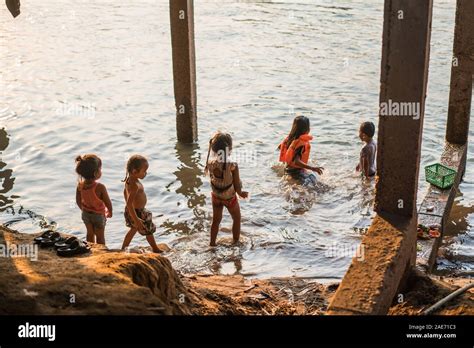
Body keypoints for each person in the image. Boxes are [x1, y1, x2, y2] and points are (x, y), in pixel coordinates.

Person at [205, 132, 248, 246]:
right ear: (229, 149)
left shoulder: (209, 163)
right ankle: (236, 242)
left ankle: (212, 243)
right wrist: (241, 193)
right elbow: (237, 185)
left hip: (216, 197)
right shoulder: (232, 165)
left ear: (214, 150)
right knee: (237, 219)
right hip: (229, 198)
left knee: (216, 221)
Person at [121, 155, 160, 253]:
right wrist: (136, 219)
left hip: (135, 211)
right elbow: (130, 204)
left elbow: (124, 193)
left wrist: (129, 209)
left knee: (133, 230)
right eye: (144, 171)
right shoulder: (134, 185)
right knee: (148, 231)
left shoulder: (129, 180)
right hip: (137, 212)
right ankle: (155, 249)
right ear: (134, 171)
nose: (146, 173)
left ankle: (123, 248)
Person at [75, 154, 112, 244]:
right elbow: (108, 202)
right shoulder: (100, 187)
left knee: (90, 234)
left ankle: (91, 249)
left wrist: (83, 209)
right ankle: (101, 253)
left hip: (86, 214)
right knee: (100, 236)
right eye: (100, 169)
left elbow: (78, 200)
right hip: (98, 215)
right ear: (96, 173)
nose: (101, 171)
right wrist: (110, 211)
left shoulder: (80, 185)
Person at [278, 115, 324, 184]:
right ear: (307, 130)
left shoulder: (290, 139)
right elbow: (297, 161)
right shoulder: (300, 144)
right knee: (317, 183)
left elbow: (280, 147)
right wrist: (312, 168)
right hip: (297, 173)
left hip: (288, 170)